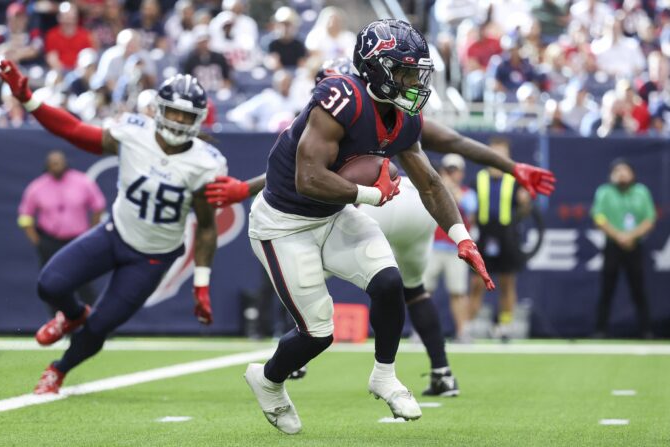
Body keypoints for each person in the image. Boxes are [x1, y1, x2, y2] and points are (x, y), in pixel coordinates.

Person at [206, 58, 556, 399]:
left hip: (372, 201)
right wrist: (511, 168)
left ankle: (338, 362)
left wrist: (464, 228)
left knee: (360, 281)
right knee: (409, 289)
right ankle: (440, 371)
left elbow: (433, 172)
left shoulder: (385, 112)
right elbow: (301, 173)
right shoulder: (343, 109)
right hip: (374, 203)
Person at [210, 20, 496, 435]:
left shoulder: (400, 116)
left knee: (388, 283)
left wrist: (461, 238)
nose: (415, 81)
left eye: (418, 72)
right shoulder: (341, 99)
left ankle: (384, 375)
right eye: (406, 72)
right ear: (377, 68)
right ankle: (269, 380)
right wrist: (371, 196)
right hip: (284, 223)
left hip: (333, 216)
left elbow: (431, 183)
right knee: (318, 333)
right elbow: (307, 179)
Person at [0, 59, 225, 394]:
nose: (177, 121)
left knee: (101, 325)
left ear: (199, 119)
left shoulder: (206, 163)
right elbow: (73, 131)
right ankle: (72, 314)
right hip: (115, 233)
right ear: (158, 110)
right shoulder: (134, 133)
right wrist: (29, 99)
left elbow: (206, 227)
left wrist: (201, 284)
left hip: (153, 257)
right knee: (50, 284)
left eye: (186, 115)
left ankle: (58, 370)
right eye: (173, 112)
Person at [18, 150, 106, 312]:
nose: (56, 165)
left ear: (65, 162)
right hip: (50, 240)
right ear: (47, 166)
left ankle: (93, 320)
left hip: (78, 240)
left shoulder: (82, 182)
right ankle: (56, 323)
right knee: (52, 283)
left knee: (84, 280)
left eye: (59, 161)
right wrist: (37, 242)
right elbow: (25, 216)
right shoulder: (37, 187)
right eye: (53, 162)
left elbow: (98, 206)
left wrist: (92, 231)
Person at [469, 137, 532, 339]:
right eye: (494, 152)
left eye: (501, 153)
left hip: (507, 235)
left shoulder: (515, 180)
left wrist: (525, 201)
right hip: (484, 234)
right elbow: (469, 210)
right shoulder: (478, 178)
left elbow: (525, 209)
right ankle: (468, 326)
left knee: (507, 282)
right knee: (477, 283)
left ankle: (505, 325)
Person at [591, 159, 656, 338]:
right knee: (607, 289)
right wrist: (618, 236)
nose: (621, 174)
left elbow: (649, 219)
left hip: (634, 246)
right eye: (617, 171)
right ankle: (600, 330)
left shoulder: (641, 192)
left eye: (625, 170)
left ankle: (646, 330)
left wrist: (630, 236)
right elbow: (598, 217)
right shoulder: (604, 192)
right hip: (612, 245)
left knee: (639, 289)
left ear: (632, 174)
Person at [423, 154, 477, 343]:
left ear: (461, 173)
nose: (452, 174)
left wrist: (450, 187)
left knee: (458, 292)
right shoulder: (432, 192)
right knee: (424, 291)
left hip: (456, 250)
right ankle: (420, 332)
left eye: (455, 170)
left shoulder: (467, 192)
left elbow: (470, 207)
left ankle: (463, 332)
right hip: (432, 247)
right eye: (448, 170)